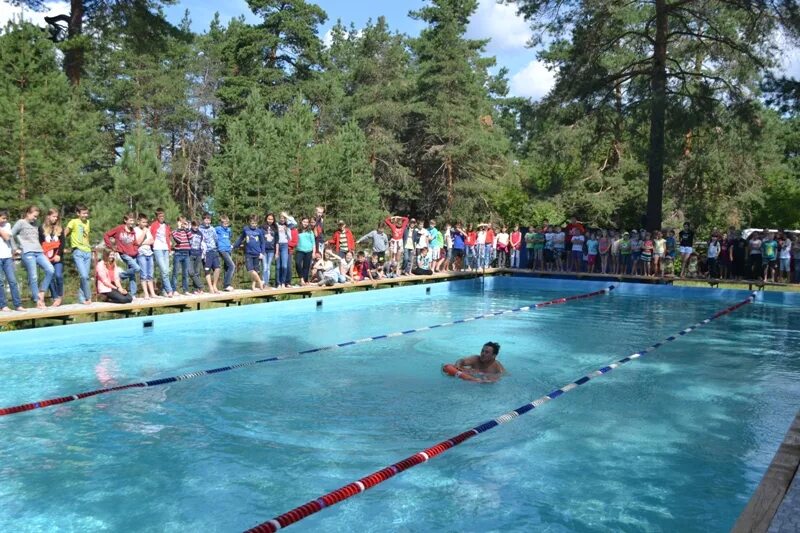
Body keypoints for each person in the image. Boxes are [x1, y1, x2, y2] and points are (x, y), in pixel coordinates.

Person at [12, 206, 55, 309]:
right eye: (34, 216)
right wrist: (15, 249)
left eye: (37, 217)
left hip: (39, 251)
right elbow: (10, 235)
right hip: (27, 252)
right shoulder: (21, 222)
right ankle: (38, 301)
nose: (35, 218)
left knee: (50, 270)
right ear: (28, 213)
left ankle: (42, 292)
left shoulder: (36, 224)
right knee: (34, 276)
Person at [103, 213, 140, 297]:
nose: (132, 222)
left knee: (132, 274)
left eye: (133, 220)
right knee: (137, 268)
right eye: (130, 220)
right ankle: (120, 276)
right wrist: (111, 246)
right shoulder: (119, 228)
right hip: (124, 253)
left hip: (133, 254)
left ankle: (133, 294)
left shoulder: (132, 230)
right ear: (125, 221)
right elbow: (106, 235)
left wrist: (135, 250)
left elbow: (135, 242)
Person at [64, 204, 93, 305]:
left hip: (87, 251)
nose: (86, 215)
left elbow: (86, 236)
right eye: (83, 213)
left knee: (86, 276)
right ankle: (87, 296)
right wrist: (62, 247)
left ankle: (83, 298)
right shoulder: (73, 222)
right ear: (78, 213)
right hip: (78, 251)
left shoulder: (88, 222)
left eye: (87, 213)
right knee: (84, 275)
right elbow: (65, 234)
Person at [233, 214, 267, 290]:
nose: (254, 225)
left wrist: (262, 252)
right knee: (250, 270)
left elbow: (262, 242)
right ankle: (260, 281)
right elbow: (241, 239)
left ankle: (253, 286)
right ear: (249, 222)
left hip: (257, 253)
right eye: (252, 223)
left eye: (255, 223)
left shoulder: (259, 231)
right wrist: (234, 246)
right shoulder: (246, 229)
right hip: (248, 253)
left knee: (256, 271)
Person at [39, 208, 65, 306]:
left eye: (56, 217)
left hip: (57, 257)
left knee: (58, 275)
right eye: (53, 216)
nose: (55, 218)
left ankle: (60, 295)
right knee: (50, 276)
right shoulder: (41, 228)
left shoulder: (60, 228)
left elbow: (62, 243)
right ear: (48, 216)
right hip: (46, 257)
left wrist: (59, 254)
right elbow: (40, 243)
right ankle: (55, 297)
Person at [0, 209, 24, 311]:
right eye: (3, 218)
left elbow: (6, 237)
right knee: (0, 282)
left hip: (7, 257)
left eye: (6, 218)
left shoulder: (7, 225)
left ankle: (17, 304)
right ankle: (3, 305)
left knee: (13, 281)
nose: (4, 220)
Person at [150, 208, 174, 297]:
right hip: (157, 248)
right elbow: (150, 236)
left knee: (167, 271)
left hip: (166, 249)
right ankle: (169, 290)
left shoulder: (166, 226)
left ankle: (164, 290)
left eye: (163, 216)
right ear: (157, 217)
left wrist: (170, 247)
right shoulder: (153, 225)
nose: (162, 218)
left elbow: (168, 237)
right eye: (160, 216)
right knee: (164, 270)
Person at [134, 213, 157, 299]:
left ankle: (153, 293)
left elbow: (152, 240)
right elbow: (137, 242)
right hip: (141, 254)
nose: (145, 224)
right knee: (143, 274)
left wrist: (143, 242)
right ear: (138, 222)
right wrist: (144, 232)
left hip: (149, 253)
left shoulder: (148, 229)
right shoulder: (135, 230)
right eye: (143, 222)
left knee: (150, 274)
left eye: (146, 222)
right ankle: (146, 294)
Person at [199, 212, 221, 293]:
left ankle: (214, 285)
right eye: (206, 220)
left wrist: (217, 247)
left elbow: (216, 239)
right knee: (207, 270)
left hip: (213, 250)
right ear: (203, 220)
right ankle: (210, 287)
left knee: (217, 268)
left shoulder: (212, 229)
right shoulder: (200, 229)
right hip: (206, 252)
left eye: (209, 220)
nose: (207, 221)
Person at [171, 216, 192, 295]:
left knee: (185, 273)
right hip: (178, 253)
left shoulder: (186, 231)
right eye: (181, 221)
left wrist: (186, 228)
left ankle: (185, 289)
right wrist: (179, 228)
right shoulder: (175, 231)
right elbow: (178, 240)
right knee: (176, 272)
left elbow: (191, 237)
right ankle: (174, 290)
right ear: (178, 222)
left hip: (186, 253)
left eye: (184, 221)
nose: (183, 223)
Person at [215, 214, 236, 291]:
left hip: (228, 249)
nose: (226, 225)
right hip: (222, 249)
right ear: (221, 223)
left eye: (227, 224)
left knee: (227, 267)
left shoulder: (229, 230)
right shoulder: (217, 229)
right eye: (224, 223)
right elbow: (212, 235)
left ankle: (226, 286)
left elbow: (229, 237)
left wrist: (230, 245)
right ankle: (227, 284)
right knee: (232, 266)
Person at [295, 216, 315, 286]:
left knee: (306, 267)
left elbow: (313, 242)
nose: (305, 223)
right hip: (300, 250)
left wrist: (314, 252)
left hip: (309, 250)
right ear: (301, 222)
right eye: (304, 222)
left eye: (307, 222)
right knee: (297, 263)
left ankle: (305, 281)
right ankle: (301, 278)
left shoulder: (310, 231)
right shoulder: (297, 230)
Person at [188, 220, 205, 293]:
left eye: (197, 226)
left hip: (198, 254)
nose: (196, 227)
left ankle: (196, 289)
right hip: (190, 254)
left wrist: (201, 254)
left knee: (197, 272)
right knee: (191, 272)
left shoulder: (200, 233)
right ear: (191, 225)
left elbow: (201, 244)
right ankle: (200, 286)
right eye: (194, 225)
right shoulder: (189, 232)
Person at [262, 213, 278, 287]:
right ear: (266, 219)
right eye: (269, 219)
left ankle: (266, 282)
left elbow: (277, 241)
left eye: (271, 219)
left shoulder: (275, 228)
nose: (270, 220)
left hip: (271, 250)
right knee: (264, 266)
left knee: (268, 267)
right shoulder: (262, 227)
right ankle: (263, 282)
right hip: (264, 249)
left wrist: (276, 252)